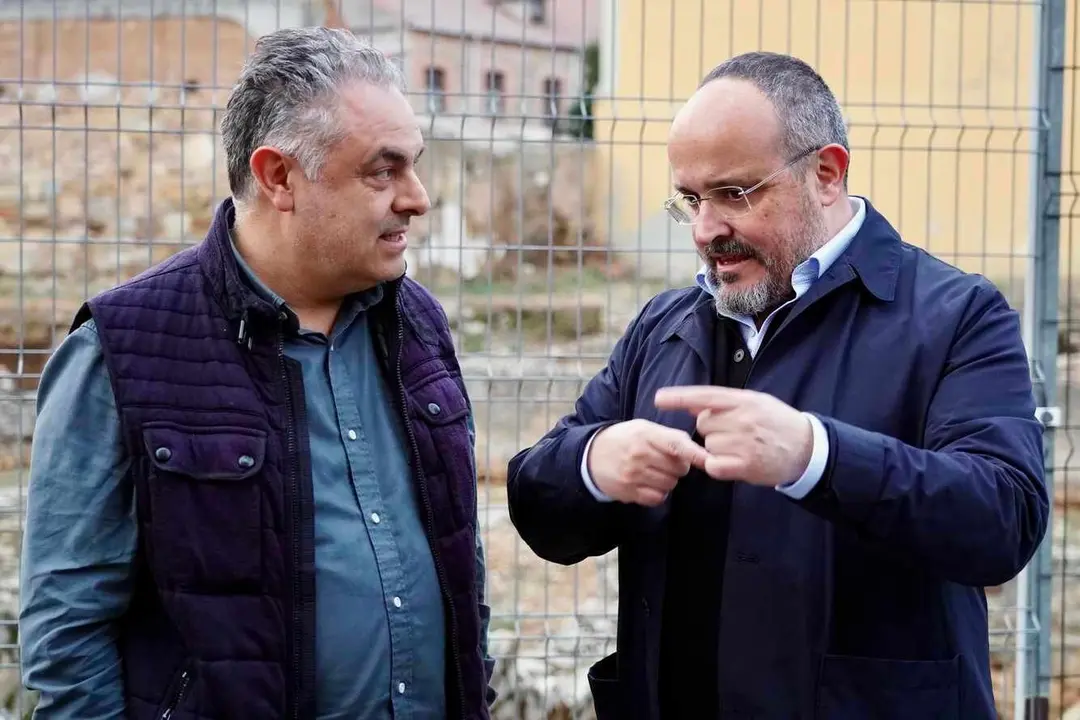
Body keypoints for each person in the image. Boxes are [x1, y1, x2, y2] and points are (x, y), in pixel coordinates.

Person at [506, 51, 1048, 720]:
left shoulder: (953, 314)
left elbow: (1003, 519)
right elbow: (539, 509)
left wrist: (815, 456)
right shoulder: (664, 326)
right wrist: (593, 465)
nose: (706, 230)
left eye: (735, 193)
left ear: (826, 172)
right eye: (691, 201)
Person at [19, 26, 495, 720]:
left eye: (414, 165)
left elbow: (460, 555)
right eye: (382, 170)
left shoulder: (419, 323)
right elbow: (67, 629)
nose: (417, 197)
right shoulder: (120, 350)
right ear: (278, 177)